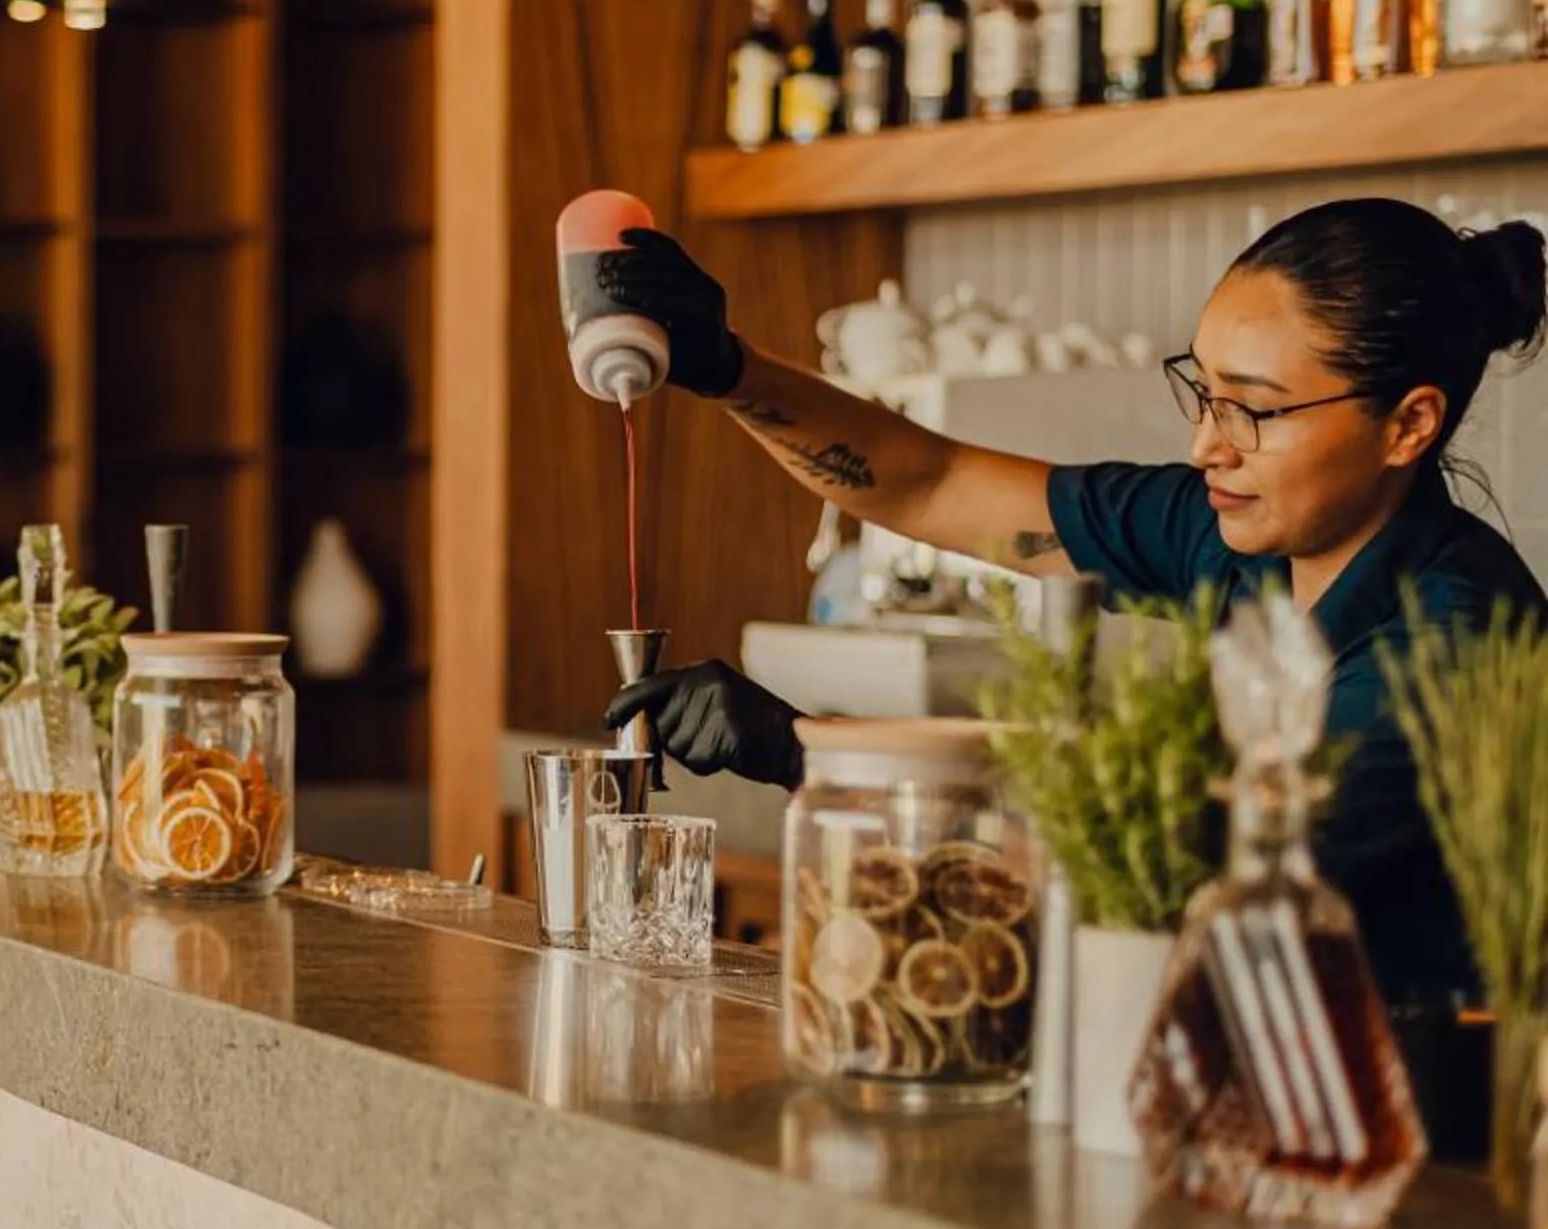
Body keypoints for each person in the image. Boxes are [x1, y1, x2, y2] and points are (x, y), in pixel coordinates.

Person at [597, 197, 1546, 1006]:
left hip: (1434, 1143)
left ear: (1408, 423)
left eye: (1253, 409)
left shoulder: (1453, 640)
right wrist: (730, 369)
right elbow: (931, 482)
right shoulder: (1234, 535)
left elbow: (1156, 879)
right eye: (1203, 393)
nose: (1209, 446)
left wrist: (810, 750)